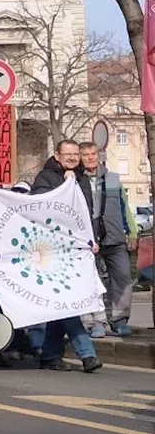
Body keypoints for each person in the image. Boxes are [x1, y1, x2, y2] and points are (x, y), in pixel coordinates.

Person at [29, 140, 104, 373]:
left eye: (75, 154)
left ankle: (50, 355)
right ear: (57, 156)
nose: (72, 157)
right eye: (68, 154)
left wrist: (91, 240)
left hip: (77, 251)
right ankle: (87, 354)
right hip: (52, 251)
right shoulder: (46, 178)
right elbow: (40, 208)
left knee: (60, 305)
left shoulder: (82, 178)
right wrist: (64, 187)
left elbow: (85, 215)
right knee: (67, 303)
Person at [78, 141, 138, 338]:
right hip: (89, 242)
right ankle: (95, 322)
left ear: (99, 155)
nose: (90, 157)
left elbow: (124, 207)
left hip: (115, 238)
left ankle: (119, 320)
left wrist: (132, 232)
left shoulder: (113, 178)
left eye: (93, 153)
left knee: (122, 279)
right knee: (92, 283)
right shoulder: (76, 180)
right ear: (80, 157)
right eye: (85, 154)